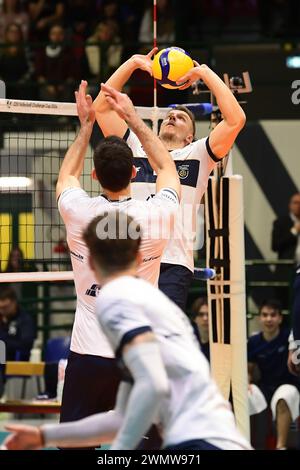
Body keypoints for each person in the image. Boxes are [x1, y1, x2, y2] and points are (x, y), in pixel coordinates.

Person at [3, 212, 251, 451]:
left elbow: (154, 385)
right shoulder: (153, 303)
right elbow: (122, 419)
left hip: (196, 442)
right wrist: (44, 436)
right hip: (218, 439)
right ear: (140, 257)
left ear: (89, 261)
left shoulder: (115, 297)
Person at [56, 80, 180, 447]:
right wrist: (133, 117)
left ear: (95, 177)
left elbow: (66, 177)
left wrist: (86, 125)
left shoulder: (79, 212)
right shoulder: (156, 215)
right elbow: (167, 168)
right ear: (135, 174)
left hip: (88, 356)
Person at [93, 48, 246, 311]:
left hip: (173, 265)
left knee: (160, 343)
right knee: (127, 340)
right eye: (169, 115)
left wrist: (203, 72)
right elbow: (101, 109)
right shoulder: (136, 146)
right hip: (132, 259)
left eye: (182, 117)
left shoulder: (198, 153)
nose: (172, 116)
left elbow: (236, 120)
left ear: (190, 136)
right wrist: (132, 63)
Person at [248, 299, 300, 450]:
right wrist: (247, 382)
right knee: (247, 394)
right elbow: (248, 370)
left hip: (289, 386)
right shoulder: (253, 341)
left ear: (280, 318)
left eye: (273, 315)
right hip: (265, 388)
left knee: (283, 395)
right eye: (265, 315)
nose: (269, 319)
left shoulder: (289, 338)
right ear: (259, 318)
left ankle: (280, 446)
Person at [0, 285, 36, 398]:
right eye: (0, 308)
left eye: (5, 307)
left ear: (14, 303)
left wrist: (4, 341)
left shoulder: (25, 320)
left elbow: (26, 344)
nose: (2, 311)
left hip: (16, 357)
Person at [271, 192, 300, 308]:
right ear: (290, 205)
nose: (298, 205)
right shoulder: (280, 222)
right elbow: (275, 246)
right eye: (296, 202)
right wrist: (294, 231)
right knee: (285, 307)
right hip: (287, 272)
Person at [190, 296, 210, 361]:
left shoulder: (221, 341)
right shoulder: (189, 338)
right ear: (195, 318)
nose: (205, 318)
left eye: (209, 314)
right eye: (201, 314)